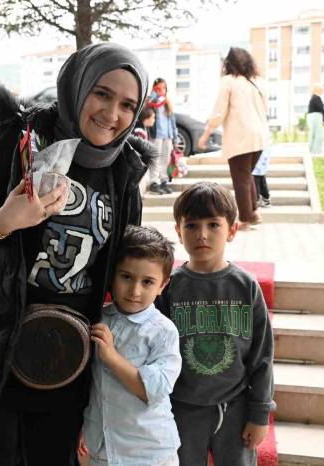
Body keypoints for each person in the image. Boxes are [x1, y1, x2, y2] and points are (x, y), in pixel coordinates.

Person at [0, 43, 155, 466]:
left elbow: (121, 267)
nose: (112, 114)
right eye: (101, 94)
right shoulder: (25, 139)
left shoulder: (124, 171)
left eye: (127, 104)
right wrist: (4, 221)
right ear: (77, 86)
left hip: (68, 359)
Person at [158, 181, 275, 466]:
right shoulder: (169, 287)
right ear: (178, 231)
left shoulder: (245, 286)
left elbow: (262, 357)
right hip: (180, 411)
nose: (202, 235)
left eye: (213, 225)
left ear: (232, 230)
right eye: (192, 226)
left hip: (235, 409)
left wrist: (260, 414)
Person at [79, 225, 181, 466]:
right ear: (112, 275)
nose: (135, 291)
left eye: (147, 282)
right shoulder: (98, 319)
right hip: (100, 448)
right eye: (126, 277)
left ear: (162, 285)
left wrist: (111, 356)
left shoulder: (163, 331)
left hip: (149, 452)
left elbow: (152, 391)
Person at [197, 47, 267, 231]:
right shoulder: (257, 82)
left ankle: (245, 219)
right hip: (259, 136)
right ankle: (254, 213)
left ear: (229, 63)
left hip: (241, 136)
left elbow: (220, 110)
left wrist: (205, 135)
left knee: (240, 178)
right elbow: (265, 109)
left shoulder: (229, 81)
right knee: (246, 175)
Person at [147, 78, 178, 195]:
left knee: (165, 159)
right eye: (159, 88)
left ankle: (164, 180)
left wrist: (175, 137)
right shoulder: (153, 101)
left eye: (164, 88)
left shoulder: (167, 103)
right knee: (155, 158)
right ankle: (154, 182)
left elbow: (173, 121)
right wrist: (156, 94)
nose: (162, 90)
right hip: (157, 135)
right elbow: (149, 104)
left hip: (167, 135)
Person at [307, 84, 324, 154]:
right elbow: (321, 109)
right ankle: (315, 151)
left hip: (314, 117)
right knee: (317, 135)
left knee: (313, 134)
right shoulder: (316, 98)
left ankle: (312, 150)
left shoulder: (314, 98)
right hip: (316, 117)